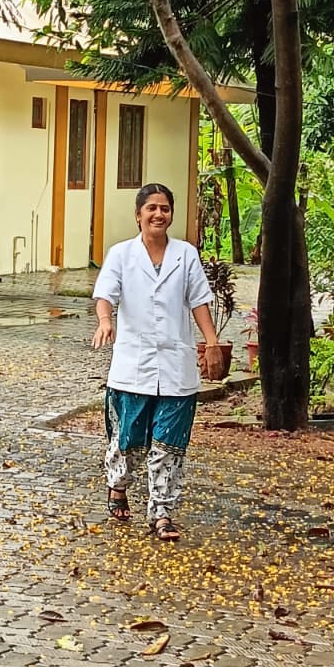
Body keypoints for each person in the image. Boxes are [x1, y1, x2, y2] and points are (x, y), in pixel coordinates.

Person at [92, 182, 228, 538]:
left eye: (164, 208)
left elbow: (199, 301)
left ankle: (162, 512)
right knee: (129, 441)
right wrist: (105, 321)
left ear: (171, 214)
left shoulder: (186, 254)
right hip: (132, 366)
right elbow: (105, 295)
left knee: (170, 444)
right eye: (151, 208)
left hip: (175, 366)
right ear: (138, 215)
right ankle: (117, 485)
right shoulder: (121, 254)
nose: (158, 214)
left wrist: (212, 342)